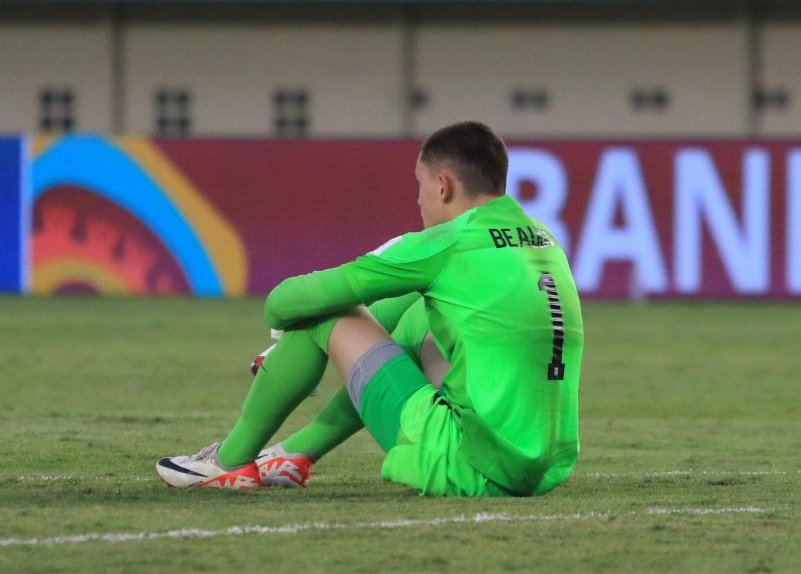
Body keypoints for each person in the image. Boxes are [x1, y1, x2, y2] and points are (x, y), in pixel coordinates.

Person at [155, 121, 584, 497]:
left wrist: (290, 335)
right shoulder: (540, 237)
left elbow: (282, 302)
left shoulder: (444, 243)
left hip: (469, 463)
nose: (418, 199)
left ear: (444, 185)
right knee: (420, 309)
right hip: (540, 466)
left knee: (329, 316)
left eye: (419, 183)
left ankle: (226, 463)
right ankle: (295, 454)